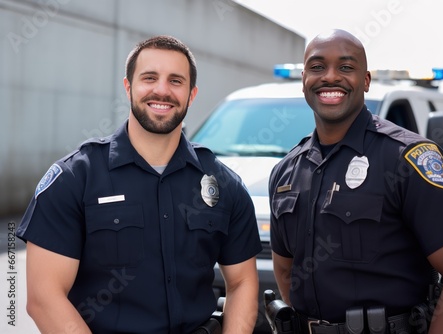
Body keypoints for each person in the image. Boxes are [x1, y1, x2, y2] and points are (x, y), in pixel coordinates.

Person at [17, 35, 262, 334]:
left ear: (191, 94)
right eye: (149, 78)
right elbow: (44, 298)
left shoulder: (224, 184)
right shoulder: (75, 178)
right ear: (128, 87)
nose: (162, 90)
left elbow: (242, 282)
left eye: (176, 81)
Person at [269, 29, 443, 334]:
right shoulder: (286, 172)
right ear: (304, 80)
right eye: (317, 67)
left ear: (365, 80)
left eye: (346, 67)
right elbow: (286, 272)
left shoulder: (407, 159)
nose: (330, 77)